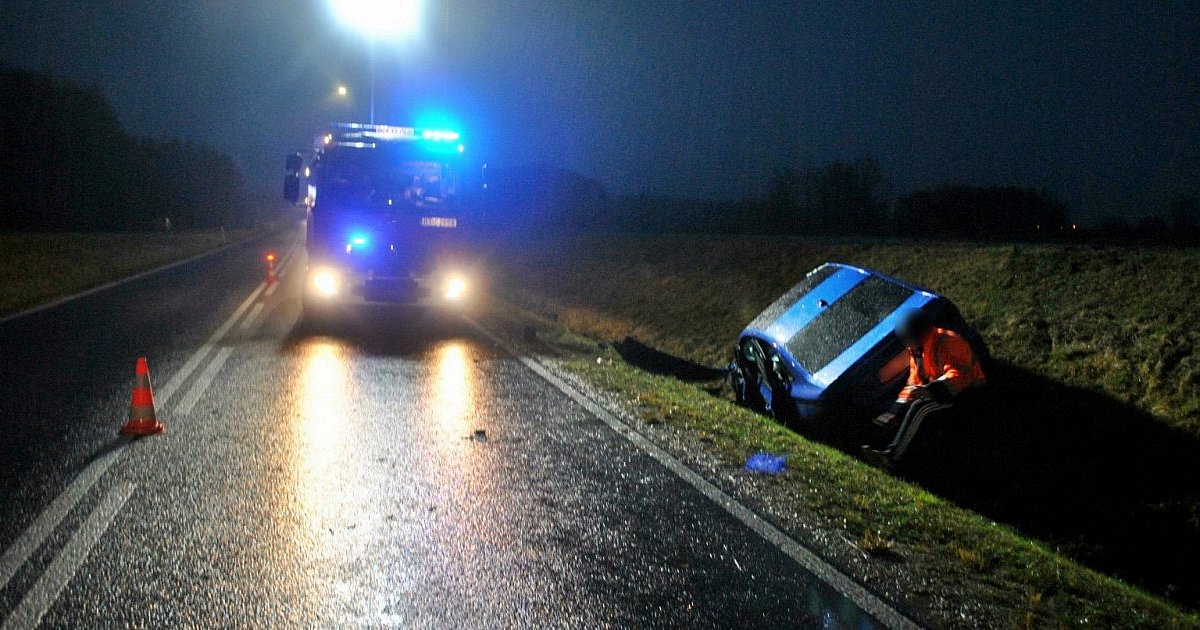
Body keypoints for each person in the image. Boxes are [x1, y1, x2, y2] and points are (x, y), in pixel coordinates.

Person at [861, 308, 986, 467]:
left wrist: (930, 390)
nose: (908, 345)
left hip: (967, 393)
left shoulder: (948, 342)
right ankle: (884, 449)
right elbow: (914, 383)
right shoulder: (917, 349)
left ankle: (891, 458)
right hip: (944, 391)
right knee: (916, 406)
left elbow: (961, 375)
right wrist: (894, 411)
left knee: (921, 407)